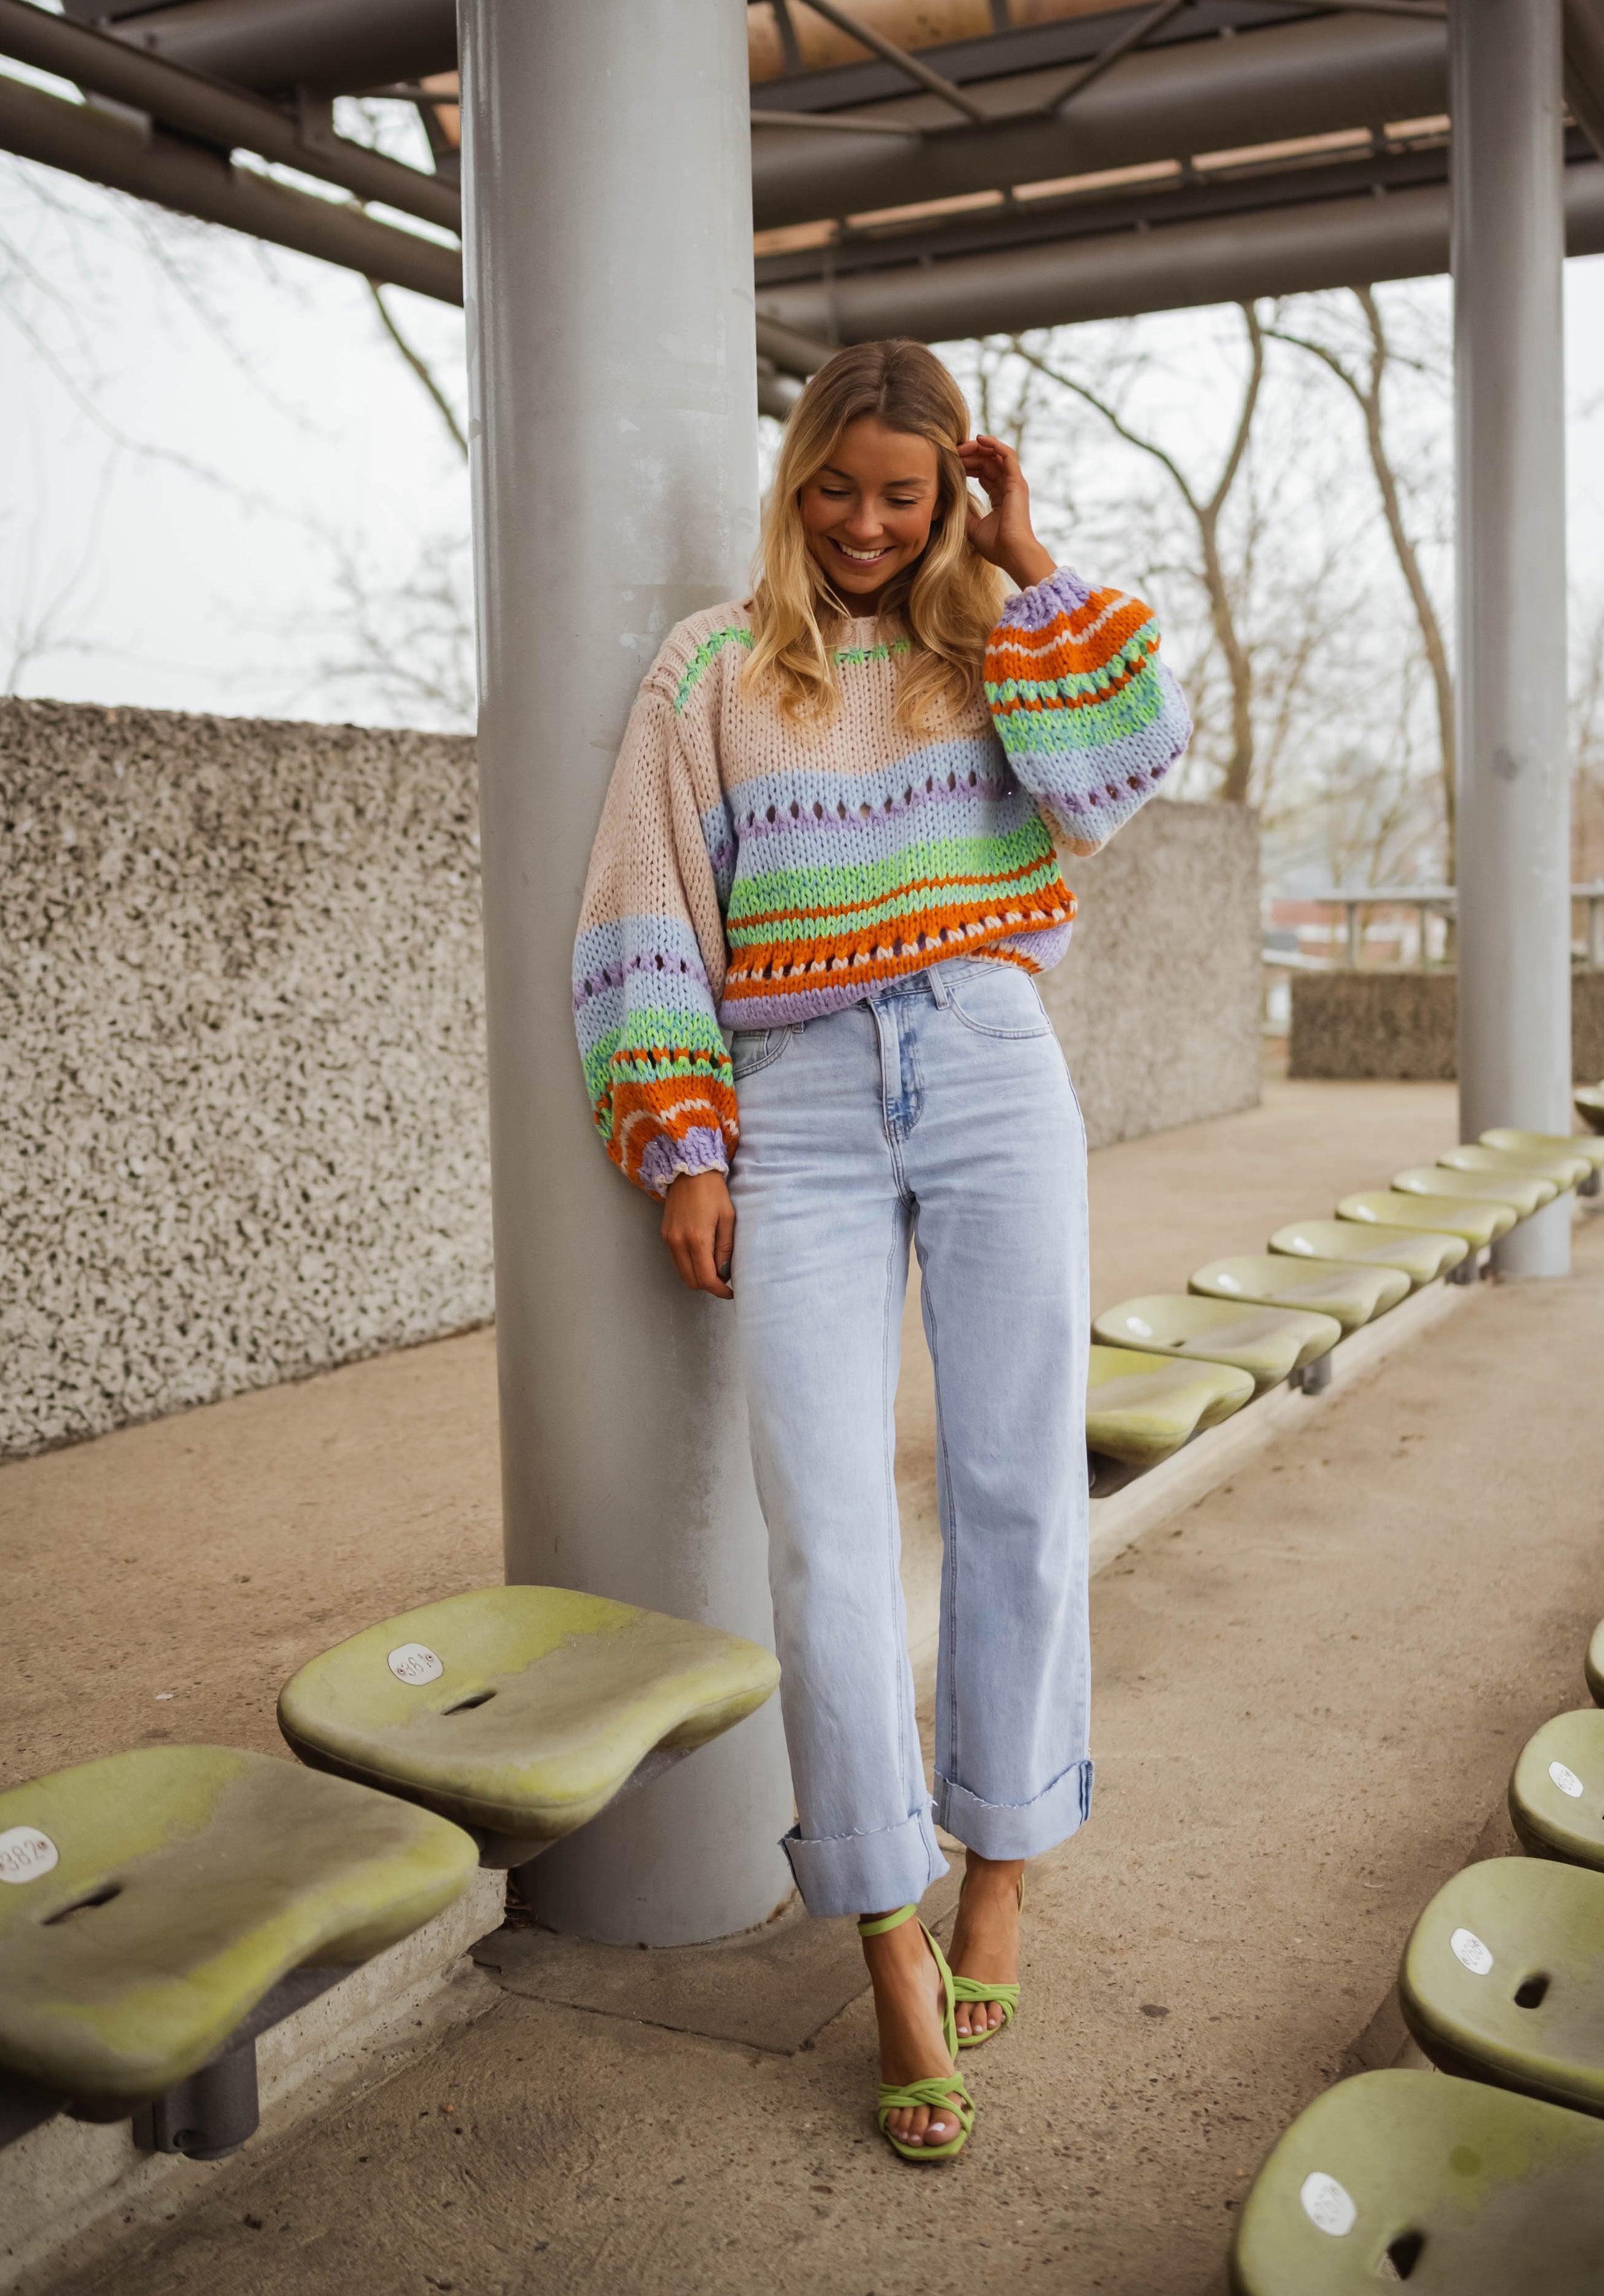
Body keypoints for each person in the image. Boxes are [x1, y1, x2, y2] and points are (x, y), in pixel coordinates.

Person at [572, 338, 1190, 2162]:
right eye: (834, 489)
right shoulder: (709, 669)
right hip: (800, 1103)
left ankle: (1000, 1862)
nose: (860, 524)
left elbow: (1125, 764)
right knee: (829, 1525)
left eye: (900, 496)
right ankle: (881, 1930)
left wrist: (1022, 554)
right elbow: (641, 909)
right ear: (793, 483)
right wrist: (683, 1146)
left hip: (991, 1058)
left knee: (1014, 1485)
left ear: (945, 494)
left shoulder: (986, 640)